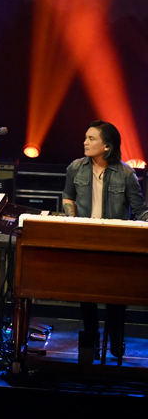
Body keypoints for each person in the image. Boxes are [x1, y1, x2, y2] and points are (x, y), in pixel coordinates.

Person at [62, 120, 148, 363]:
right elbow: (68, 196)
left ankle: (116, 339)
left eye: (91, 139)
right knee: (86, 294)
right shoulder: (75, 168)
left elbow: (139, 209)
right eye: (85, 138)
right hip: (85, 239)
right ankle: (91, 338)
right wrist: (71, 219)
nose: (85, 142)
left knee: (116, 296)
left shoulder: (126, 173)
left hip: (115, 241)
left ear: (107, 146)